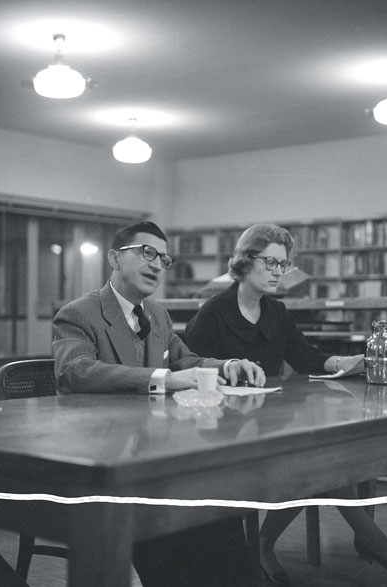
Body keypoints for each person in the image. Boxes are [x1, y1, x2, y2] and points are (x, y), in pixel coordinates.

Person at [185, 223, 387, 586]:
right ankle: (369, 541)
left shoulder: (277, 312)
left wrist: (345, 362)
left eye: (283, 264)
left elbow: (306, 357)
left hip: (268, 423)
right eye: (271, 262)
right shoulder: (212, 314)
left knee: (322, 463)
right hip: (223, 433)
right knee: (318, 467)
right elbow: (194, 374)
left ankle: (267, 545)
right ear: (245, 261)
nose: (278, 272)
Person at [52, 220, 265, 587]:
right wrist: (163, 378)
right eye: (147, 253)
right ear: (114, 258)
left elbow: (187, 361)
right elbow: (74, 371)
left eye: (164, 259)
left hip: (154, 455)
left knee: (217, 500)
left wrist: (228, 365)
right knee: (179, 519)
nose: (157, 265)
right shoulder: (80, 313)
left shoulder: (156, 314)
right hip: (105, 460)